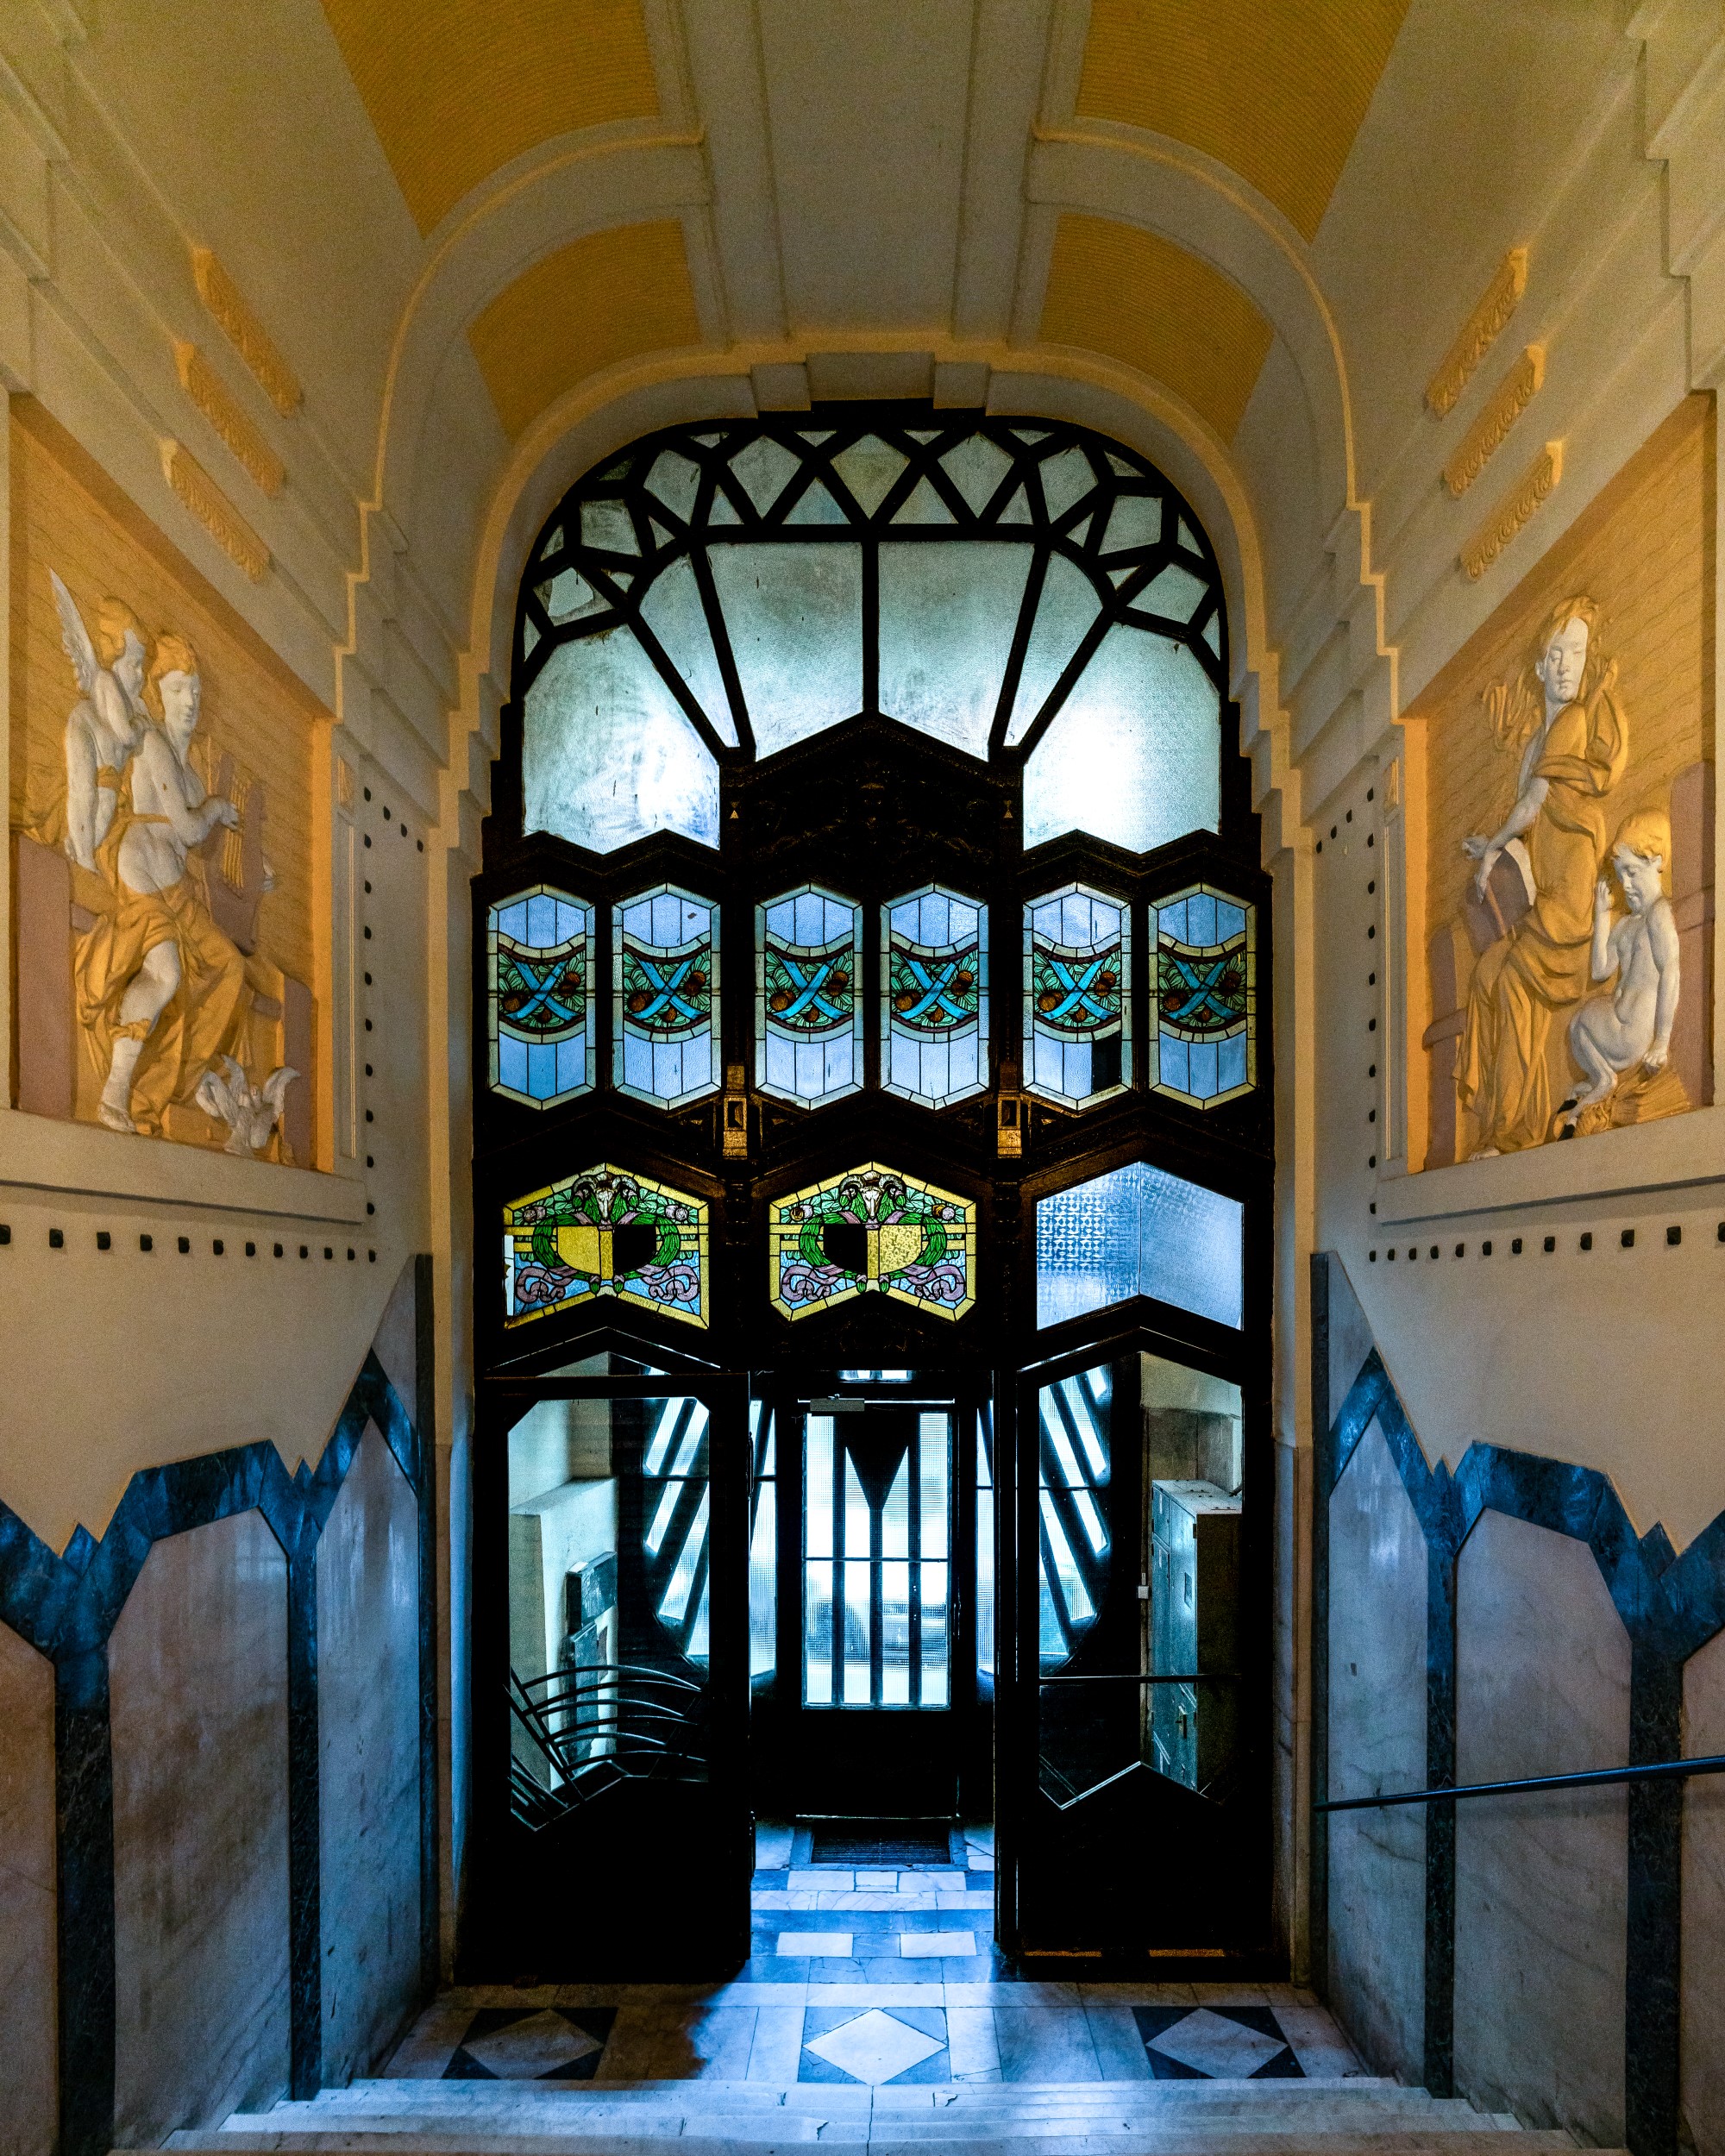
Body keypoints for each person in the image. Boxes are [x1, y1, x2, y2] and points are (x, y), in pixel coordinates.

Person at [1455, 597, 1628, 1155]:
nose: (1565, 666)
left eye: (1575, 653)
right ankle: (1491, 1117)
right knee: (1485, 974)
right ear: (1538, 666)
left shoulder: (1575, 721)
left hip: (1573, 894)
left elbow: (1533, 803)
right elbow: (1531, 823)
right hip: (1547, 890)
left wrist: (1497, 844)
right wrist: (1495, 845)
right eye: (1555, 654)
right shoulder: (1536, 740)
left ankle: (1516, 1133)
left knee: (1511, 984)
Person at [75, 633, 248, 1134]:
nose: (189, 703)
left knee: (230, 966)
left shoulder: (189, 773)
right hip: (144, 875)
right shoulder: (151, 743)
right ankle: (116, 1090)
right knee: (167, 974)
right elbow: (193, 828)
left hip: (176, 889)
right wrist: (216, 807)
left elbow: (195, 840)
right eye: (176, 691)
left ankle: (183, 1077)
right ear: (158, 695)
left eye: (194, 692)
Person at [1558, 808, 1681, 1134]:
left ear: (1656, 862)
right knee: (1576, 1027)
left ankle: (1603, 1080)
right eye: (1619, 874)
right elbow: (1600, 970)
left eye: (1631, 872)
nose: (1625, 884)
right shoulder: (1626, 925)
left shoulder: (1660, 913)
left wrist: (1662, 1041)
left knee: (1581, 1022)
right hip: (1616, 1022)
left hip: (1635, 1032)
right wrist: (1602, 916)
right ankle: (1602, 1080)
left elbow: (1671, 971)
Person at [46, 572, 148, 873]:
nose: (140, 675)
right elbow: (126, 735)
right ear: (114, 657)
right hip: (86, 732)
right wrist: (141, 728)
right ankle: (82, 853)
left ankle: (81, 849)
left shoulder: (136, 703)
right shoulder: (106, 682)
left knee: (102, 809)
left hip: (110, 774)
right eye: (134, 664)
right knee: (83, 793)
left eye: (143, 666)